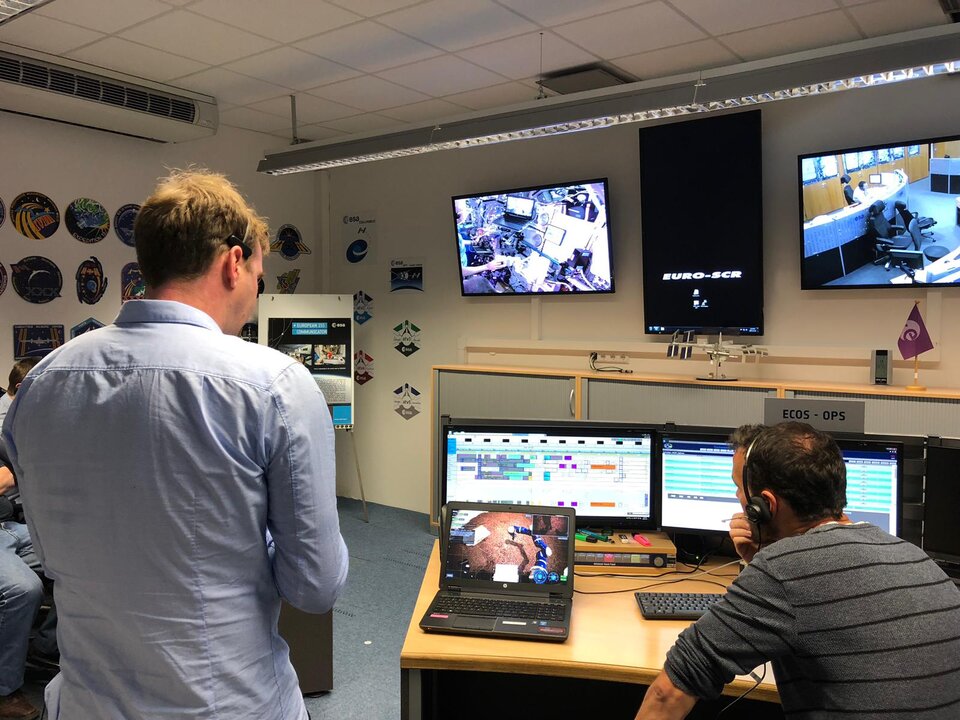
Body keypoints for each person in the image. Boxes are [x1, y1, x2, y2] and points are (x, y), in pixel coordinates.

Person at [1, 169, 349, 720]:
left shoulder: (42, 382)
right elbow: (314, 587)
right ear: (234, 263)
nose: (257, 297)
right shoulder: (273, 385)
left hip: (88, 702)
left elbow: (50, 553)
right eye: (259, 275)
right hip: (226, 704)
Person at [636, 422, 960, 719]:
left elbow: (667, 693)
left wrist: (767, 565)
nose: (737, 499)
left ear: (764, 506)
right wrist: (762, 559)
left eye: (739, 490)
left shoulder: (784, 571)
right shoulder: (917, 559)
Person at [0, 357, 48, 720]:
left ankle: (43, 647)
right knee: (22, 589)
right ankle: (5, 691)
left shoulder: (25, 420)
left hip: (11, 525)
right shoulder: (6, 417)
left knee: (78, 559)